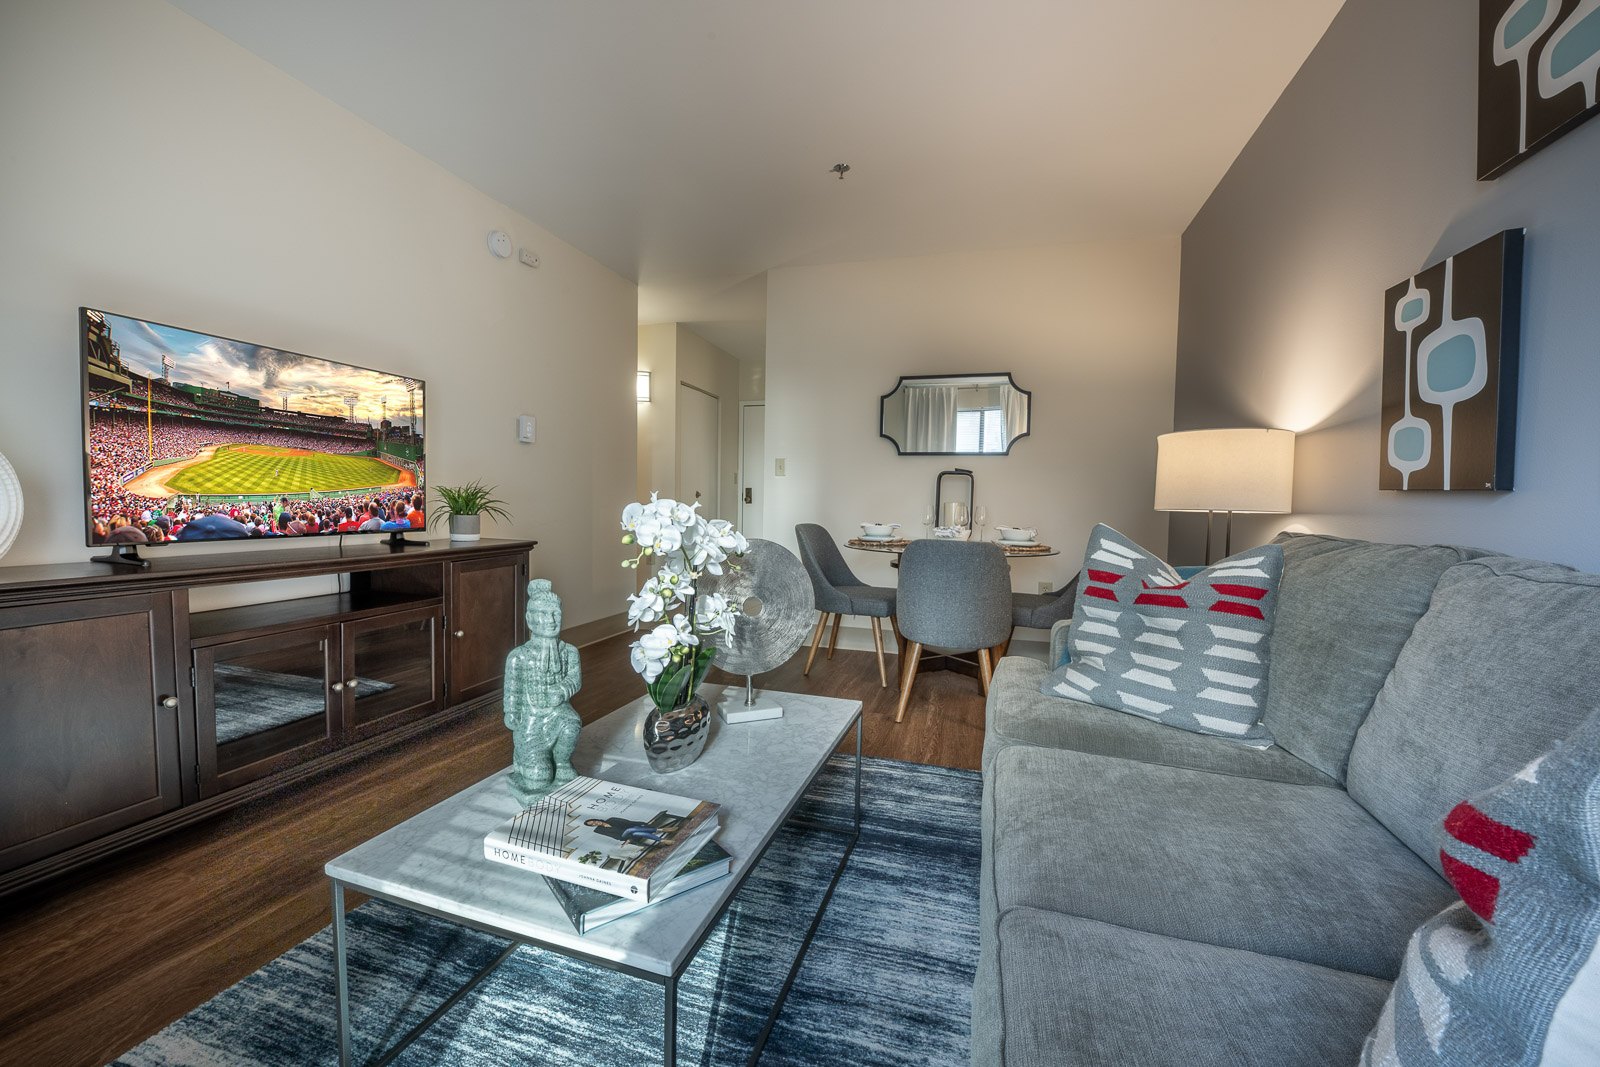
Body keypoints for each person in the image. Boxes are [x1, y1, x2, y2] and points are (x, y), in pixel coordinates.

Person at [584, 817, 670, 848]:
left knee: (637, 832)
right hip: (623, 836)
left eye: (593, 821)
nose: (595, 823)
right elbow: (614, 836)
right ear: (593, 826)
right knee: (631, 830)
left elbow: (628, 822)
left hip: (632, 830)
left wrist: (641, 823)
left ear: (595, 819)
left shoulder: (611, 819)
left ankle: (662, 840)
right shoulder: (599, 830)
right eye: (592, 824)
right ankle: (659, 830)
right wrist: (627, 840)